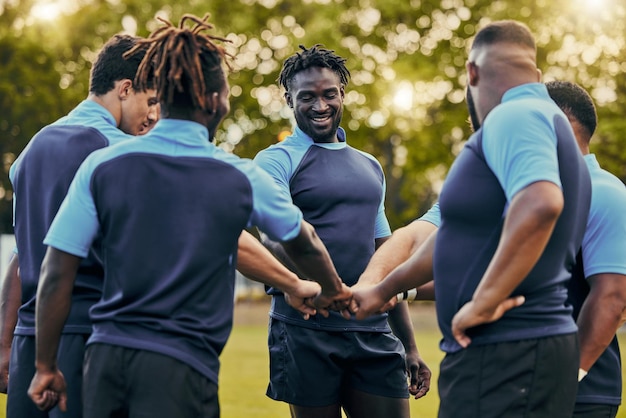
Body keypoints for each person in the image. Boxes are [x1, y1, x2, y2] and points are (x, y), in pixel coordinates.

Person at [26, 14, 349, 418]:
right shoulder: (237, 173)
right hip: (181, 368)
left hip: (104, 363)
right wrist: (334, 290)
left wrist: (44, 366)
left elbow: (56, 269)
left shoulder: (101, 164)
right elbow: (304, 240)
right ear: (215, 100)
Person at [351, 20, 592, 418]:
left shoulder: (512, 114)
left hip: (506, 352)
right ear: (535, 72)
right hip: (517, 354)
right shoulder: (543, 119)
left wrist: (483, 301)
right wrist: (382, 290)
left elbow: (541, 204)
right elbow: (452, 235)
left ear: (472, 72)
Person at [253, 44, 430, 418]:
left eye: (328, 94)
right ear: (289, 99)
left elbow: (387, 255)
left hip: (373, 329)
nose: (320, 106)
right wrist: (327, 290)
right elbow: (273, 237)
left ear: (342, 94)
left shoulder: (370, 166)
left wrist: (409, 345)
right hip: (305, 330)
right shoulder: (275, 160)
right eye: (307, 97)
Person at [0, 33, 159, 418]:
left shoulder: (28, 153)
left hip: (29, 343)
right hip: (93, 340)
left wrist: (4, 347)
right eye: (151, 101)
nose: (154, 116)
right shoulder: (121, 154)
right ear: (125, 89)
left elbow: (21, 260)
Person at [546, 80, 626, 418]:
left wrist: (565, 381)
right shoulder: (543, 196)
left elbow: (613, 297)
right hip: (531, 387)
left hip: (581, 396)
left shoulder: (604, 192)